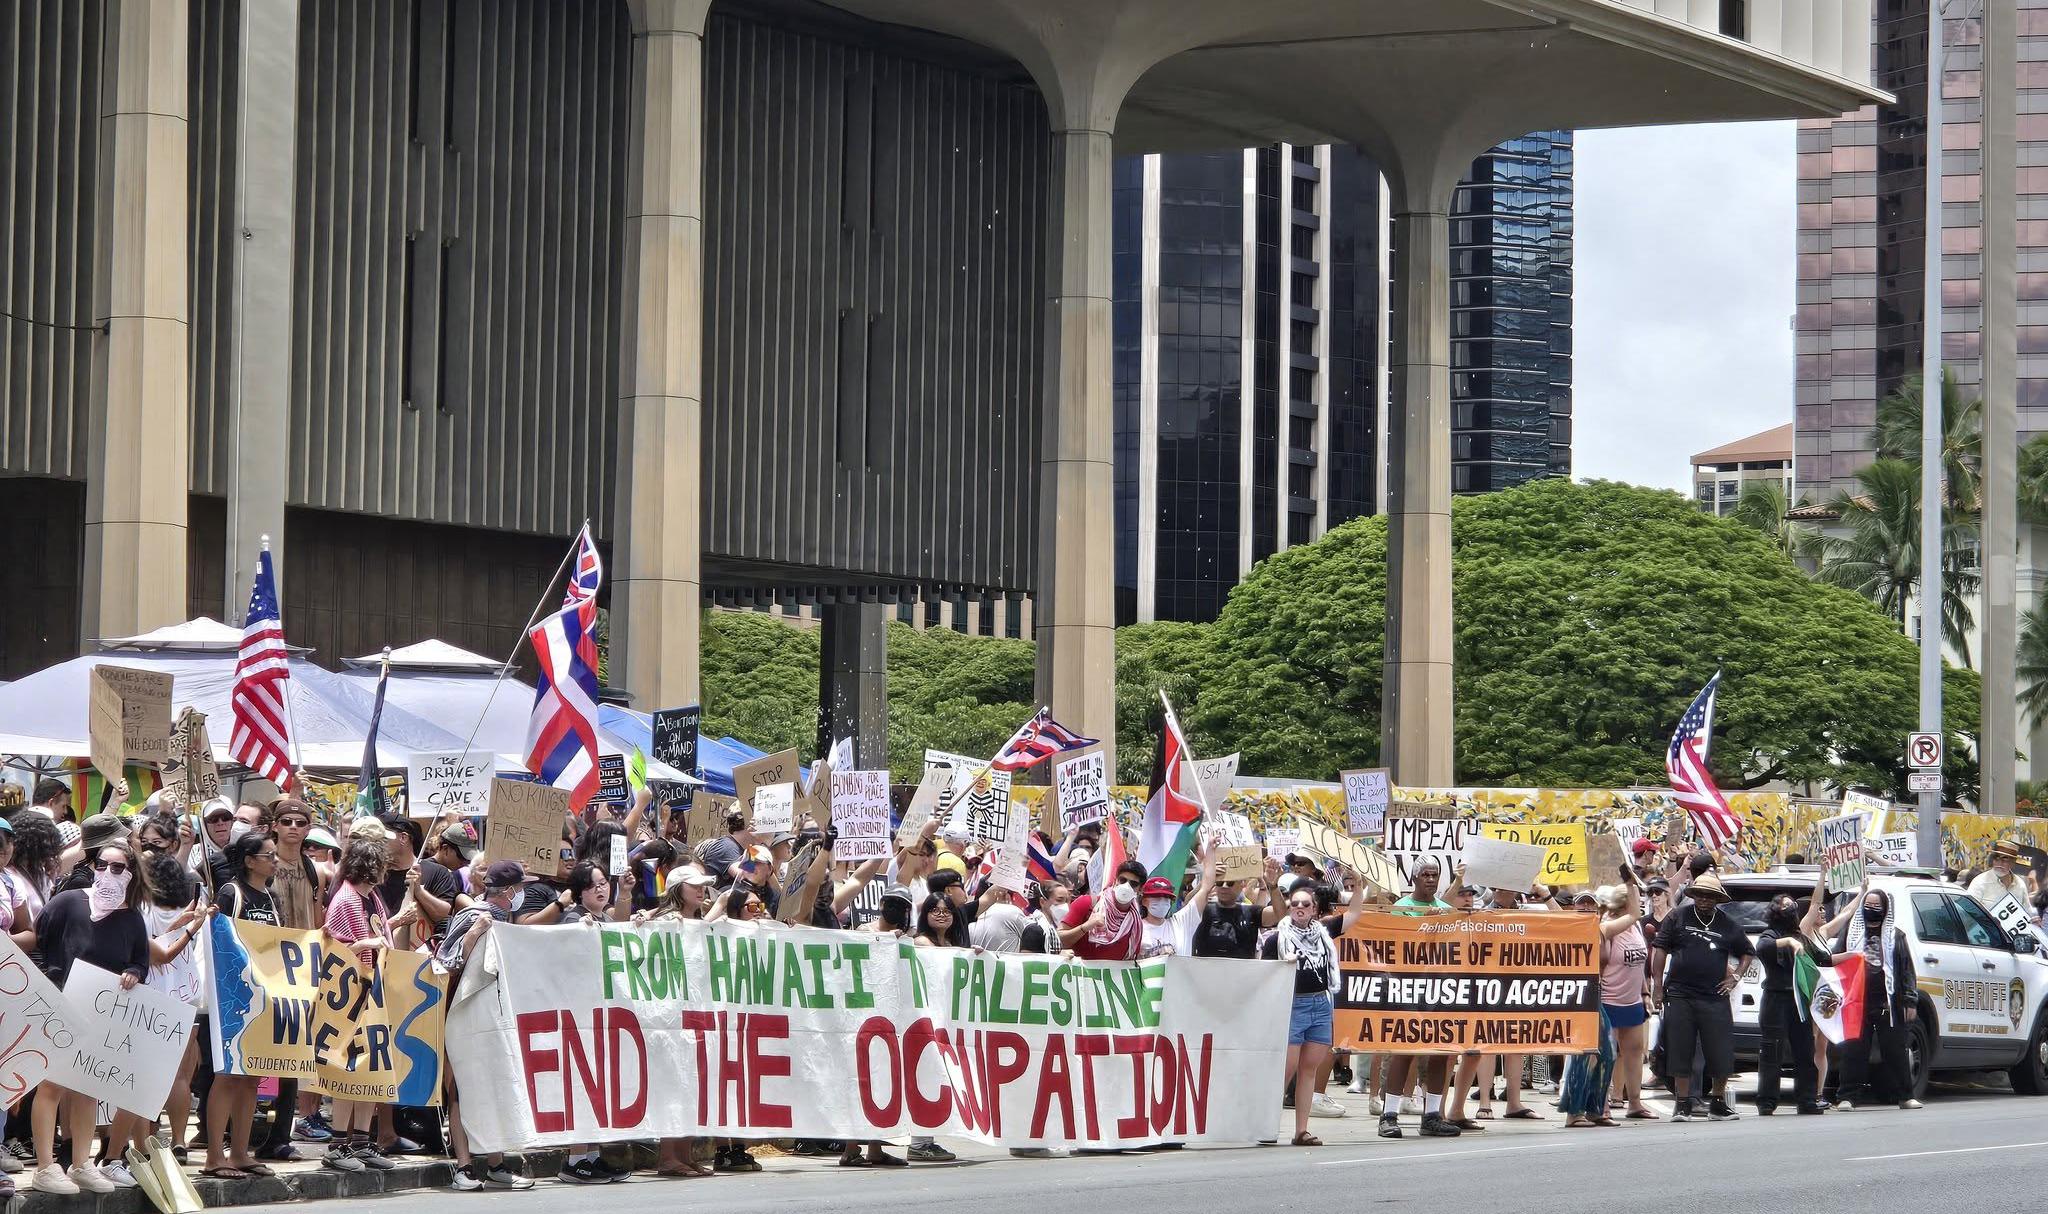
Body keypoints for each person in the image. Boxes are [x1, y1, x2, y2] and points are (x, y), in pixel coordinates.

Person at [28, 839, 150, 1195]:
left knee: (88, 1088)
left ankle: (82, 1163)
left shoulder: (132, 919)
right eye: (101, 865)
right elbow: (40, 940)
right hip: (61, 1005)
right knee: (52, 1085)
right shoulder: (69, 902)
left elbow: (140, 960)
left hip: (103, 1015)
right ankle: (46, 1166)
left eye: (117, 868)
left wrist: (133, 973)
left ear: (130, 875)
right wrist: (49, 983)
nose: (107, 874)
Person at [433, 862, 536, 1191]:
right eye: (520, 888)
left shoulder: (506, 921)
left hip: (494, 1018)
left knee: (493, 1088)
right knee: (461, 1090)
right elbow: (445, 962)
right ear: (508, 891)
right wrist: (475, 932)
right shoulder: (472, 916)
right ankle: (465, 1167)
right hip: (463, 1016)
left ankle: (496, 1164)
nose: (523, 894)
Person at [201, 830, 285, 1181]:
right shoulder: (232, 893)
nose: (276, 861)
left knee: (251, 1076)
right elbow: (220, 938)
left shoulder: (270, 895)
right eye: (270, 855)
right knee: (227, 1075)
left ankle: (240, 1152)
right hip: (233, 994)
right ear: (250, 860)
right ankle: (213, 1156)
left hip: (262, 995)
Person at [1260, 879, 1368, 1146]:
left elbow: (1353, 915)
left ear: (1314, 908)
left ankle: (1301, 1130)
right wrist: (1283, 966)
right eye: (1294, 903)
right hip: (1292, 1004)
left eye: (1305, 904)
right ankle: (1266, 1126)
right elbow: (1262, 976)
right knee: (1286, 1070)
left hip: (1320, 1004)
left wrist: (1358, 889)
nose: (1299, 908)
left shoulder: (1324, 931)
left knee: (1309, 1070)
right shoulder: (1277, 938)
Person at [321, 838, 398, 1173]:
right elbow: (331, 946)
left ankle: (363, 1142)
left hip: (375, 991)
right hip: (352, 994)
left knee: (372, 1066)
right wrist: (367, 942)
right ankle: (338, 1144)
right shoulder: (346, 899)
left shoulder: (373, 898)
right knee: (349, 1066)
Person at [1649, 873, 1751, 1122]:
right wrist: (1658, 987)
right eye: (1701, 895)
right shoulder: (1678, 916)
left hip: (1714, 996)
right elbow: (1660, 949)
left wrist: (1735, 976)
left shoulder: (1727, 923)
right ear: (1693, 896)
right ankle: (1682, 1104)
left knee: (1720, 1050)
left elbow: (1748, 951)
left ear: (1717, 899)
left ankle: (1717, 1103)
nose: (1705, 900)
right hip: (1680, 993)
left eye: (1710, 896)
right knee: (1680, 1048)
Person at [1376, 861, 1463, 1139]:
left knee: (1441, 1051)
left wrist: (1443, 920)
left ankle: (1433, 1115)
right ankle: (1388, 1115)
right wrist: (1427, 924)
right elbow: (1399, 946)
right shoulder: (1403, 906)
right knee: (1404, 1049)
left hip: (1439, 987)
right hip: (1408, 986)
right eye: (1425, 874)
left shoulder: (1446, 909)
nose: (1430, 879)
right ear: (1414, 878)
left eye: (1434, 875)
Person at [1753, 869, 1841, 1116]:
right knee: (1772, 1051)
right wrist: (1788, 943)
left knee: (1805, 1051)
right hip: (1775, 999)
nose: (1789, 907)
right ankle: (1767, 1101)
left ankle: (1807, 1099)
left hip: (1799, 1001)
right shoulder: (1771, 935)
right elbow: (1763, 947)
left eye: (1791, 904)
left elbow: (1814, 903)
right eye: (1784, 905)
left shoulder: (1801, 933)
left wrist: (1823, 874)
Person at [139, 851, 206, 1165]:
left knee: (148, 1072)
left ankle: (149, 1137)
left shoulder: (142, 909)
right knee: (181, 1076)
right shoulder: (193, 910)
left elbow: (154, 951)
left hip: (151, 994)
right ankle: (180, 1140)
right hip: (187, 993)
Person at [1835, 886, 1921, 1111]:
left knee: (1895, 1050)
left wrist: (1910, 1000)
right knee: (1853, 1051)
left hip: (1888, 1002)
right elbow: (1835, 961)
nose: (1871, 910)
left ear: (1885, 910)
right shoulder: (1850, 932)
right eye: (1867, 906)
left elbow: (1906, 970)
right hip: (1856, 1001)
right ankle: (1848, 1096)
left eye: (1876, 906)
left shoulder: (1896, 936)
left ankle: (1905, 1096)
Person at [1560, 886, 1629, 1127]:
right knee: (1583, 1054)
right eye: (1582, 903)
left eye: (1591, 904)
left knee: (1607, 1053)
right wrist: (1544, 893)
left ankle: (1595, 1108)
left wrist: (1630, 886)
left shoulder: (1603, 929)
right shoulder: (1566, 927)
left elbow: (1632, 915)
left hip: (1595, 997)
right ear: (1573, 908)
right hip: (1576, 997)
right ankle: (1574, 1112)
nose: (1587, 907)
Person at [1594, 882, 1656, 1120]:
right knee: (1606, 1054)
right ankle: (1602, 1103)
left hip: (1632, 1000)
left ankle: (1635, 1103)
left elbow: (1639, 963)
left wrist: (1645, 993)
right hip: (1609, 999)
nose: (1640, 905)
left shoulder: (1636, 927)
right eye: (1635, 899)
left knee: (1634, 1051)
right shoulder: (1607, 926)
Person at [1063, 859, 1146, 960]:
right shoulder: (1086, 903)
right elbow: (1058, 940)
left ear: (1140, 889)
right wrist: (1085, 927)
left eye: (1133, 884)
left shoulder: (1136, 923)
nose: (1126, 886)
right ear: (1115, 881)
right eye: (1122, 880)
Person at [1139, 855, 1220, 957]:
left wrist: (1211, 848)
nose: (1162, 901)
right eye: (1157, 897)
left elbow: (1206, 888)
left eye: (1166, 897)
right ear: (1144, 901)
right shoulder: (1135, 929)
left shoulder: (1181, 923)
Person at [1967, 840, 2032, 909]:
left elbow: (2027, 912)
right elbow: (1968, 912)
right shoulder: (1980, 882)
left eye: (2005, 859)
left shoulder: (2020, 884)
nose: (2000, 862)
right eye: (1996, 857)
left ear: (2013, 862)